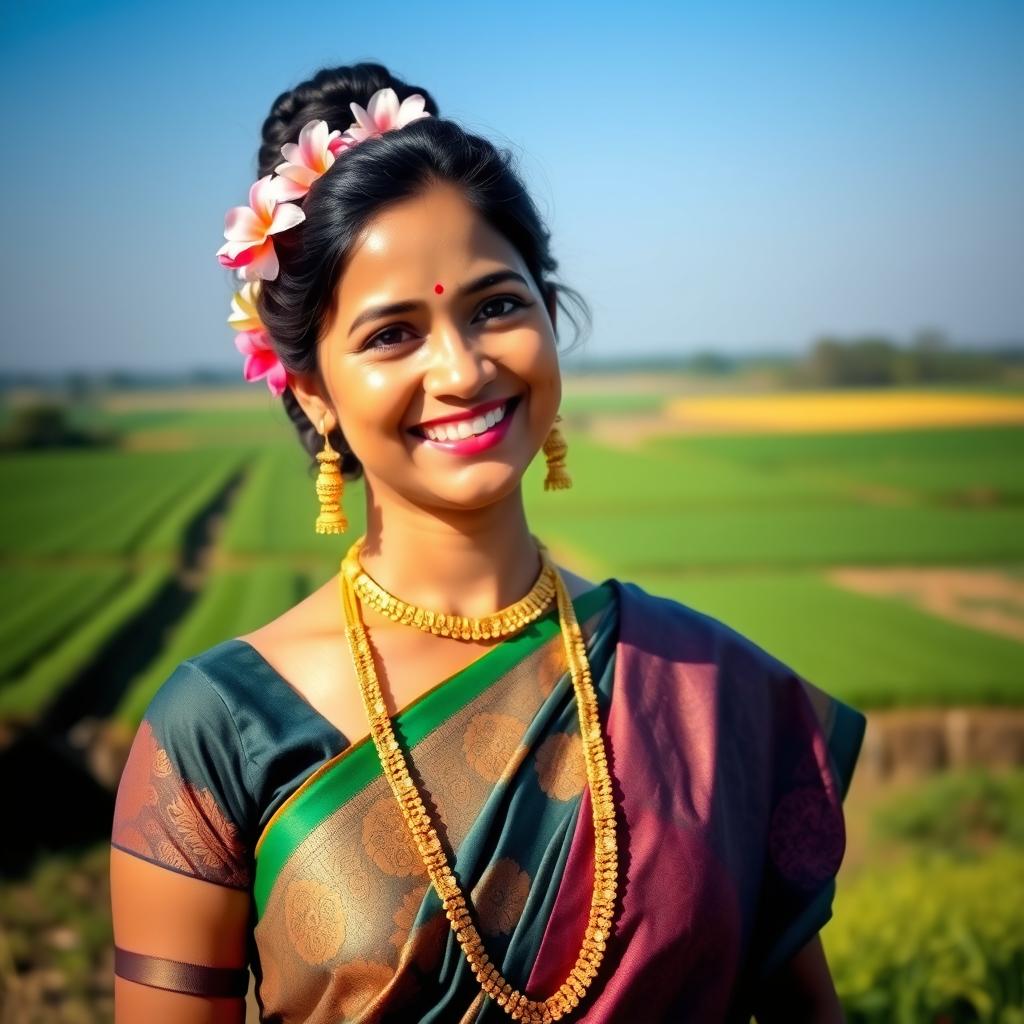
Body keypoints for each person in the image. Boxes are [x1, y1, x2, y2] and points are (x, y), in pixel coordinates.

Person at [109, 62, 866, 1024]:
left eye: (496, 306)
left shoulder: (710, 691)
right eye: (392, 334)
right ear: (310, 392)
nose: (463, 369)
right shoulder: (219, 732)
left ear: (550, 315)